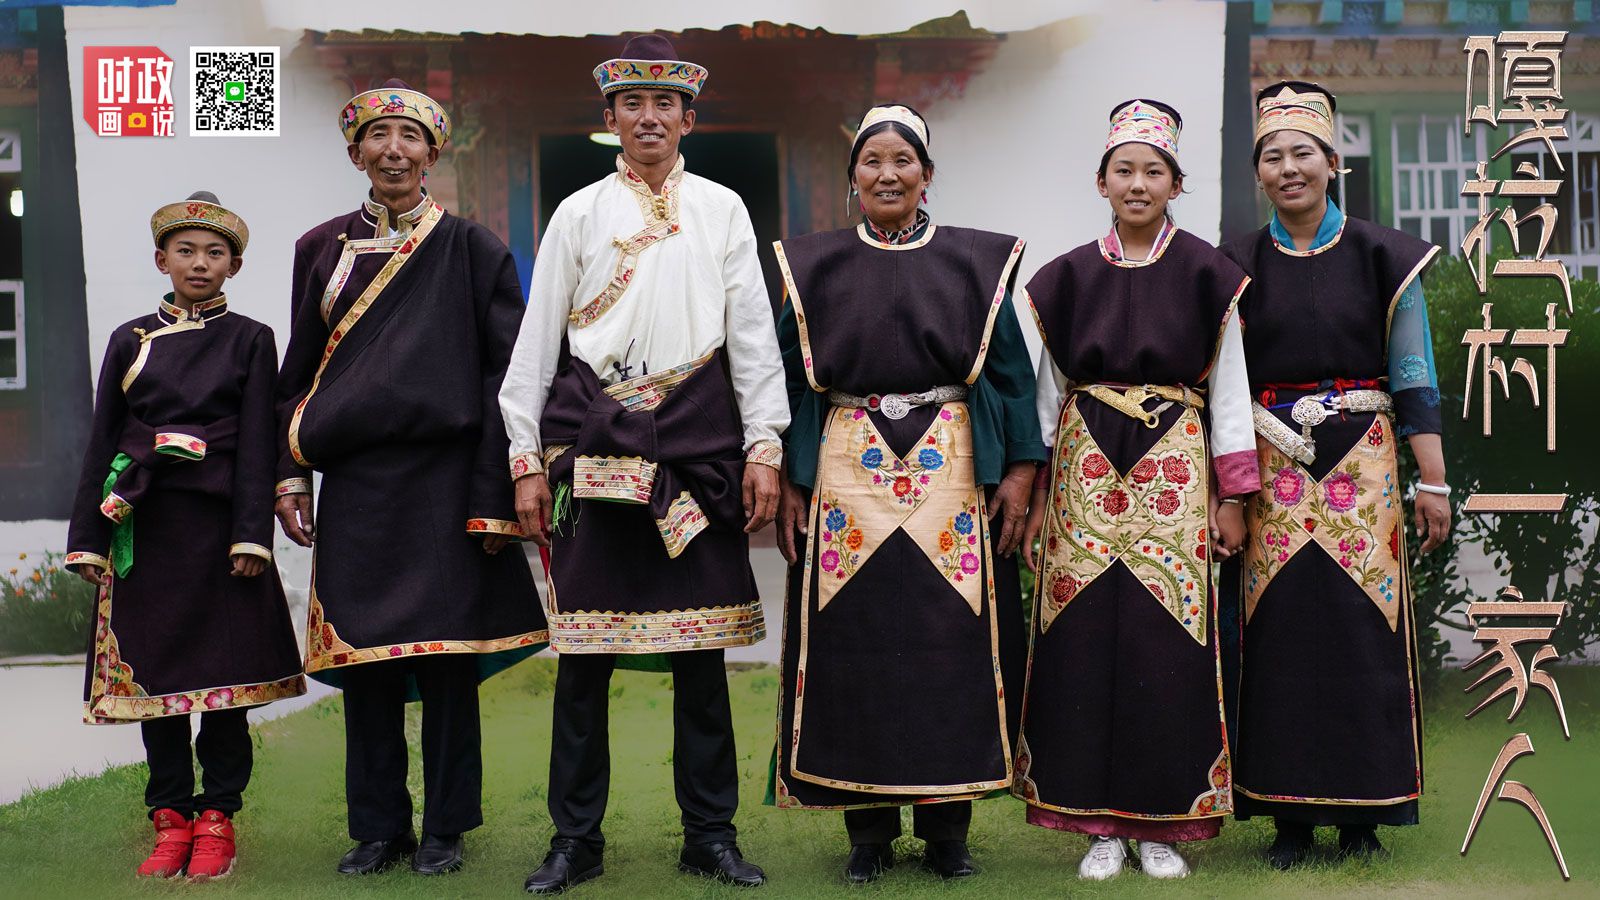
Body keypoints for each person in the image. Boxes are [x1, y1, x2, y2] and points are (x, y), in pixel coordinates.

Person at [500, 35, 788, 893]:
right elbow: (538, 341)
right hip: (596, 447)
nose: (650, 117)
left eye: (666, 104)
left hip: (696, 445)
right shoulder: (578, 214)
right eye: (634, 104)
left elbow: (751, 335)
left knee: (701, 662)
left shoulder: (723, 210)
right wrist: (524, 457)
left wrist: (764, 444)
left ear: (688, 119)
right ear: (611, 117)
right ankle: (574, 842)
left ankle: (711, 836)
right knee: (584, 663)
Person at [274, 79, 547, 877]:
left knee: (447, 664)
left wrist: (494, 499)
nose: (393, 151)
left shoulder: (473, 249)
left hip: (446, 483)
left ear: (433, 153)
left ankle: (445, 830)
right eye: (378, 137)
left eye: (410, 138)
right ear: (355, 152)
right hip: (357, 487)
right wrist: (289, 478)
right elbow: (299, 374)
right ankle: (378, 828)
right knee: (368, 662)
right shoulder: (319, 250)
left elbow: (506, 379)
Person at [767, 104, 1042, 884]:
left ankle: (948, 832)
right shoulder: (813, 267)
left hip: (951, 476)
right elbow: (788, 385)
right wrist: (791, 477)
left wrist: (1020, 472)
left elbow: (1012, 378)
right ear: (852, 177)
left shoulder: (975, 264)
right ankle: (868, 834)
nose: (887, 175)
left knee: (948, 644)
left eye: (903, 161)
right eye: (872, 161)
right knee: (854, 645)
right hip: (845, 477)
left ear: (927, 175)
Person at [1015, 99, 1259, 880]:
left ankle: (1163, 822)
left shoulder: (1208, 275)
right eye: (1124, 170)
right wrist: (1035, 494)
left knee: (1168, 637)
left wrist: (1232, 496)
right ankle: (1099, 827)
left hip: (1174, 467)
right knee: (1082, 639)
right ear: (1102, 182)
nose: (1138, 183)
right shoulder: (1065, 279)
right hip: (1083, 468)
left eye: (1154, 171)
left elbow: (1229, 392)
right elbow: (1046, 397)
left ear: (1175, 185)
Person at [1220, 81, 1451, 868]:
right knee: (1279, 630)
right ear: (1258, 172)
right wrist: (1231, 486)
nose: (1288, 169)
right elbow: (1223, 386)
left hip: (1365, 461)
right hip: (1272, 463)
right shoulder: (1236, 264)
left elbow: (1414, 372)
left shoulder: (1385, 257)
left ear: (1333, 161)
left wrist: (1433, 479)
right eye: (1272, 157)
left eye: (1302, 154)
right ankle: (1287, 817)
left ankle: (1365, 815)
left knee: (1361, 629)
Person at [65, 192, 306, 880]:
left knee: (225, 686)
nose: (200, 263)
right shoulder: (130, 340)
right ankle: (170, 819)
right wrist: (90, 538)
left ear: (234, 266)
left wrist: (251, 536)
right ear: (161, 260)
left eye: (215, 253)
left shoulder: (252, 338)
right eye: (186, 250)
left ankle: (218, 818)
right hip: (147, 530)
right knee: (157, 681)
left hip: (221, 534)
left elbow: (258, 439)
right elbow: (104, 440)